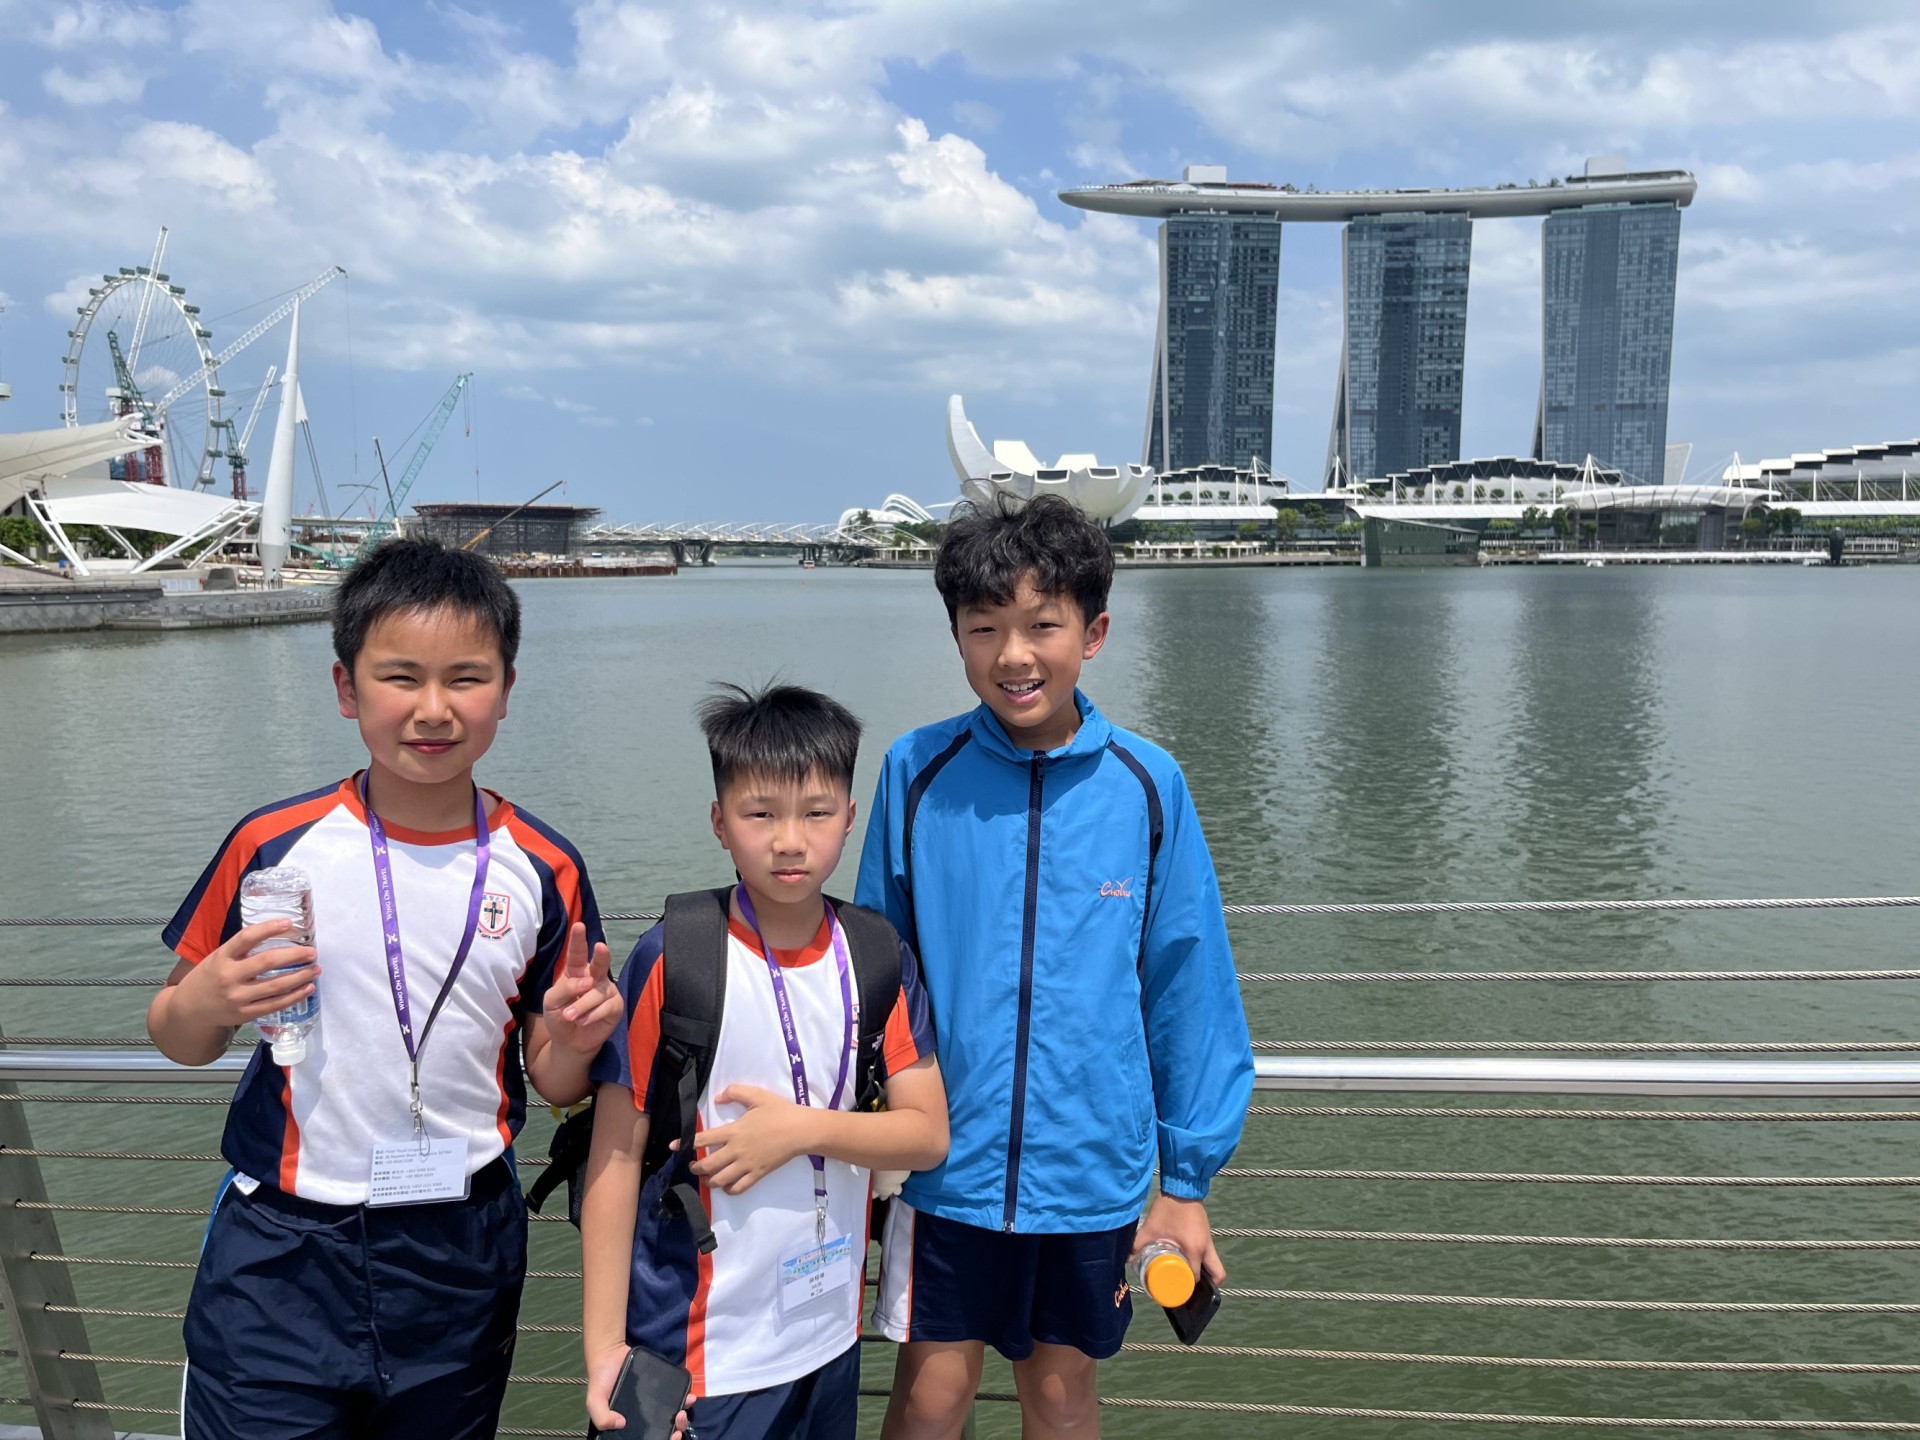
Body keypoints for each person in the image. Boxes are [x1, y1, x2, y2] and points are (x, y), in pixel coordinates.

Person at [148, 536, 623, 1440]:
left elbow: (554, 1079)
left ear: (506, 691)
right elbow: (177, 1034)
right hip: (282, 1246)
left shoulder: (544, 865)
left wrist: (575, 1037)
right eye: (401, 677)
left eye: (466, 679)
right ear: (346, 688)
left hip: (460, 1245)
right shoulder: (272, 844)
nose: (433, 710)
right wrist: (208, 998)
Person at [857, 495, 1255, 1439]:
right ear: (956, 637)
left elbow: (1188, 987)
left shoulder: (1148, 785)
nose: (1014, 655)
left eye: (1043, 625)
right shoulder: (917, 770)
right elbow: (875, 966)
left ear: (1094, 632)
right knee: (930, 1395)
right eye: (984, 628)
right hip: (943, 1164)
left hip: (1089, 1172)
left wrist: (1185, 1181)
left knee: (1061, 1394)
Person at [581, 682, 949, 1439]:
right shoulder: (677, 955)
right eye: (760, 814)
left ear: (850, 817)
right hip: (701, 1357)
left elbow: (927, 1133)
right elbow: (614, 1159)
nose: (790, 840)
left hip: (829, 1339)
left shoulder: (875, 954)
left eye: (816, 813)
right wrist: (603, 1351)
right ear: (720, 822)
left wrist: (799, 1131)